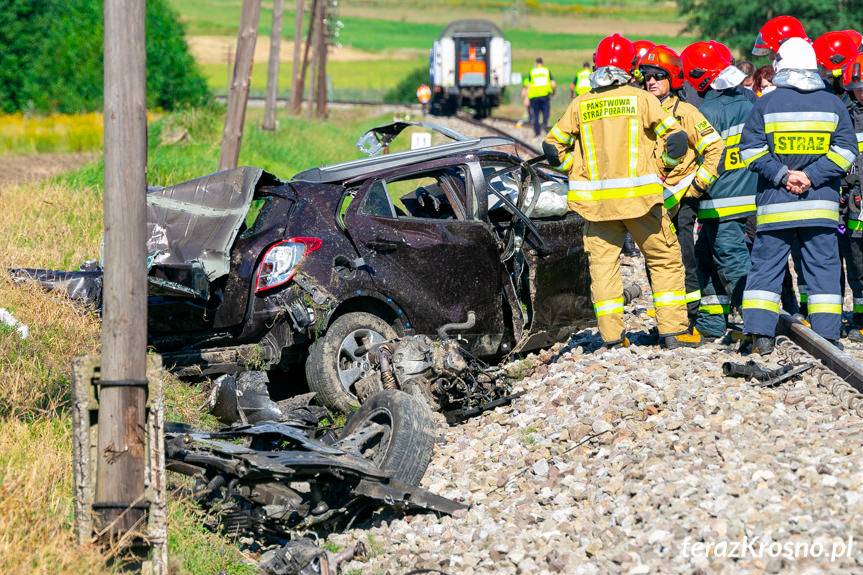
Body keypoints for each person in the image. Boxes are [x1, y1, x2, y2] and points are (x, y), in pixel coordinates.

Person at [543, 34, 698, 349]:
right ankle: (673, 332)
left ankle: (612, 338)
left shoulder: (581, 103)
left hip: (597, 208)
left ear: (597, 64)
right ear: (632, 67)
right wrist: (663, 167)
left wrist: (575, 170)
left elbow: (552, 147)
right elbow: (677, 139)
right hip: (642, 203)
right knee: (664, 260)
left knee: (603, 267)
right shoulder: (641, 99)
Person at [738, 37, 858, 354]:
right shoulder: (833, 104)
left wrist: (783, 175)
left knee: (766, 269)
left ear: (781, 66)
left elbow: (750, 152)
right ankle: (828, 338)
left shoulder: (765, 104)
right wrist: (811, 177)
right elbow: (846, 153)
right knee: (823, 270)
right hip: (819, 206)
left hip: (776, 207)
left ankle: (760, 336)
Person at [639, 45, 724, 325]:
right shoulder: (638, 111)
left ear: (672, 79)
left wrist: (698, 186)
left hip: (680, 199)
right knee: (657, 260)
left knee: (685, 257)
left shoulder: (686, 112)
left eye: (658, 75)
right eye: (646, 75)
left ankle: (689, 316)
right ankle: (668, 316)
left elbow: (714, 146)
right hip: (650, 200)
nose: (651, 81)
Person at [681, 41, 758, 339]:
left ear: (701, 76)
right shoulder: (751, 101)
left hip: (721, 200)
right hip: (746, 195)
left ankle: (758, 323)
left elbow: (697, 159)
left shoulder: (707, 112)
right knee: (706, 258)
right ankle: (713, 324)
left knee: (732, 260)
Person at [841, 54, 863, 340]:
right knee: (857, 261)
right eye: (858, 86)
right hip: (855, 200)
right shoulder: (845, 115)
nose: (862, 92)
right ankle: (860, 318)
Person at [523, 57, 555, 136]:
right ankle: (544, 125)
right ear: (542, 63)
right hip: (545, 95)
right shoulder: (546, 70)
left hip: (534, 96)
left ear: (536, 63)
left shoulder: (532, 71)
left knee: (535, 115)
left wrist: (526, 97)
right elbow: (553, 83)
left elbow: (529, 85)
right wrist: (553, 92)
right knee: (545, 112)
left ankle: (537, 132)